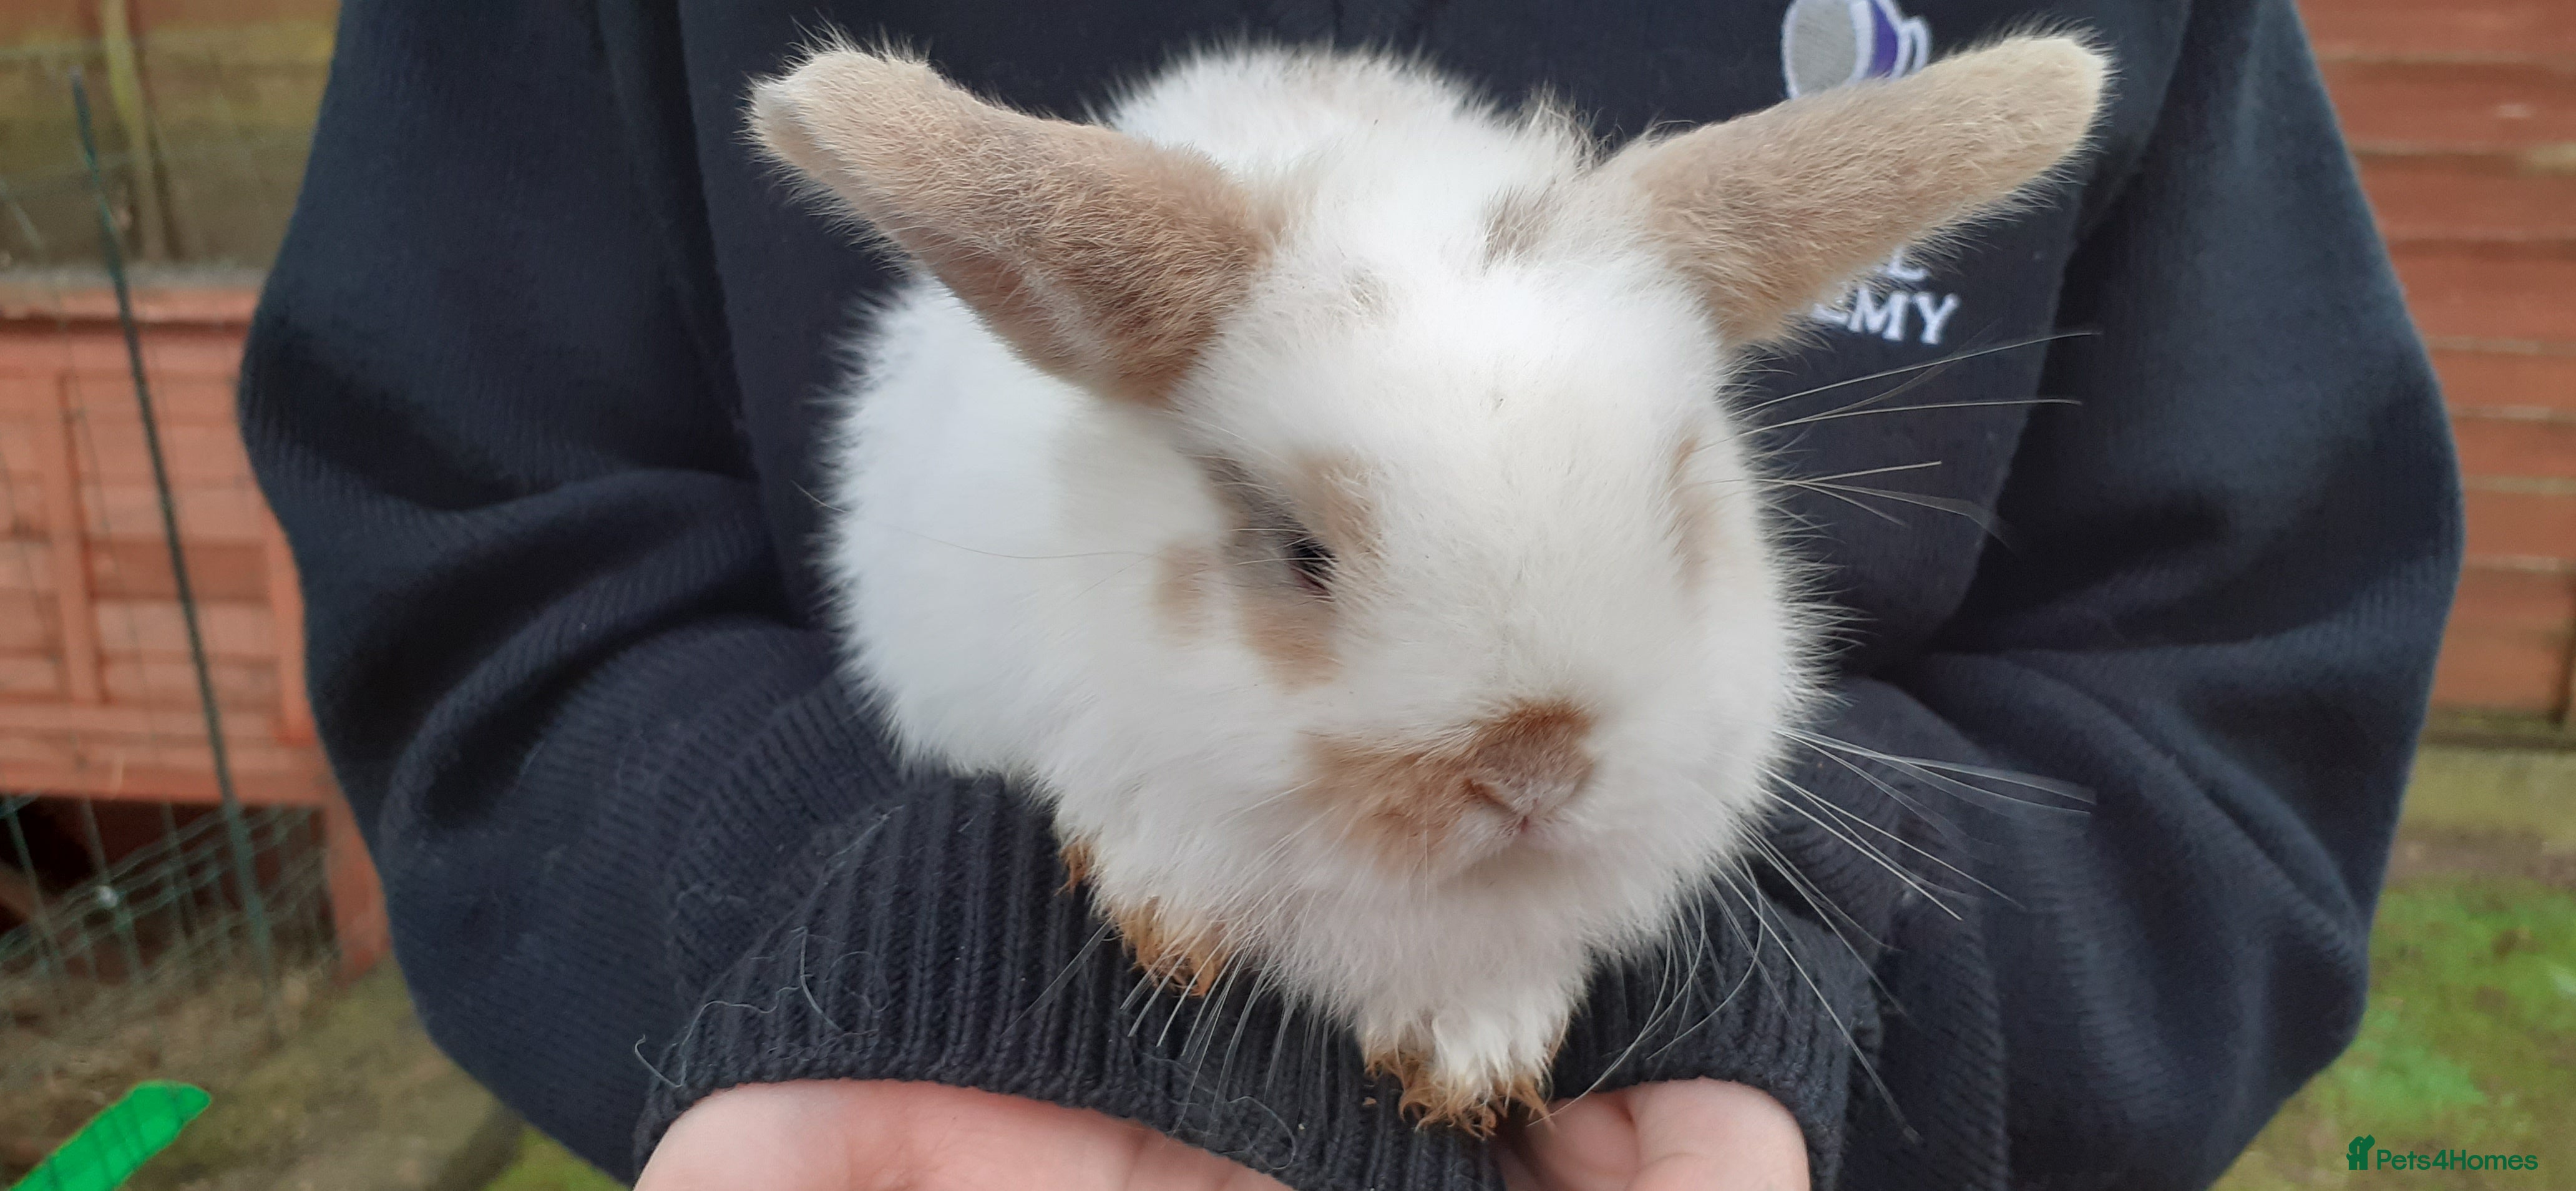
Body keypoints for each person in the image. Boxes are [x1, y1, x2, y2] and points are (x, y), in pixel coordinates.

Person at [236, 0, 2461, 1188]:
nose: (1531, 761)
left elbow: (2228, 693)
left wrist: (1774, 1000)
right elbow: (491, 557)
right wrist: (886, 933)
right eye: (1312, 552)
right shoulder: (1054, 448)